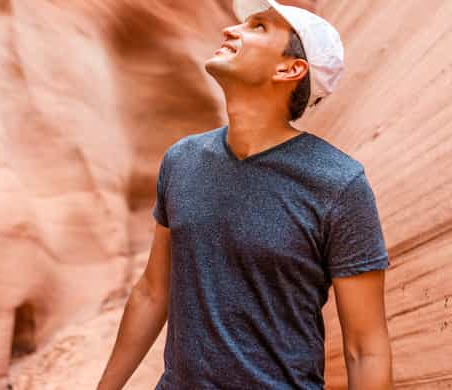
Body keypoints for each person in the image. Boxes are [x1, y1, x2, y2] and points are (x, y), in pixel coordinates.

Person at [97, 0, 393, 388]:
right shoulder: (182, 160)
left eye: (258, 27)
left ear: (290, 68)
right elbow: (153, 292)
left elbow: (364, 347)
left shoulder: (338, 184)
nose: (231, 30)